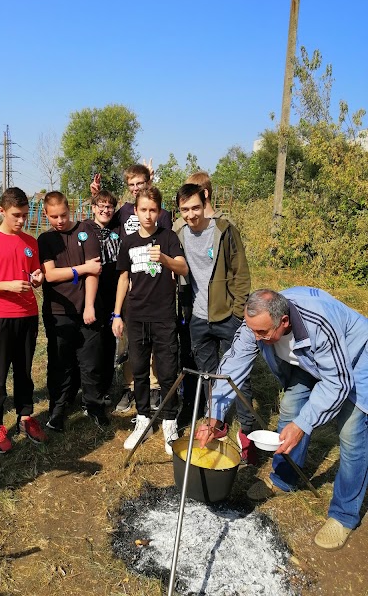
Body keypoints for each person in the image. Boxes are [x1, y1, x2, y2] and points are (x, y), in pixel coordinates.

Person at [196, 287, 368, 551]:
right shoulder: (256, 324)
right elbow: (231, 369)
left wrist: (304, 425)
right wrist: (213, 416)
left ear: (284, 321)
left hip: (355, 360)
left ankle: (343, 515)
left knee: (351, 434)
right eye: (253, 330)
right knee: (290, 409)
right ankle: (283, 480)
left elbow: (337, 383)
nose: (255, 337)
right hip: (306, 359)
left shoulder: (319, 324)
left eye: (263, 333)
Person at [175, 181, 256, 463]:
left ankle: (248, 432)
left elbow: (241, 272)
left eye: (195, 207)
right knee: (208, 374)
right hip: (197, 318)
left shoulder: (223, 231)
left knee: (237, 376)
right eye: (185, 209)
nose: (191, 214)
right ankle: (216, 420)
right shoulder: (178, 234)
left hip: (227, 316)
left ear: (204, 202)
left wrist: (237, 311)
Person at [112, 186, 188, 454]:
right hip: (136, 316)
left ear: (159, 212)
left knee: (167, 371)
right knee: (140, 370)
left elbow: (183, 267)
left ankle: (169, 420)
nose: (148, 215)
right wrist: (117, 313)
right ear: (135, 210)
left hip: (163, 316)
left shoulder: (168, 237)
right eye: (143, 209)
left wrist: (165, 259)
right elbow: (123, 278)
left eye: (153, 210)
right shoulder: (129, 241)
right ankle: (143, 417)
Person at [91, 163, 170, 412]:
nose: (136, 188)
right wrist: (95, 194)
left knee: (154, 338)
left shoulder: (163, 214)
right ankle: (130, 386)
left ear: (149, 182)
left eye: (140, 183)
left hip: (154, 285)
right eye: (132, 185)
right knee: (129, 338)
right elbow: (100, 215)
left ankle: (154, 386)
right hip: (128, 285)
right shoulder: (124, 211)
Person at [0, 187, 46, 454]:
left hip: (28, 315)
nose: (21, 221)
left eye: (25, 215)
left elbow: (34, 273)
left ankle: (26, 417)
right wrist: (7, 286)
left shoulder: (30, 242)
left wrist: (37, 278)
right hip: (0, 316)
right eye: (16, 215)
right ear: (2, 211)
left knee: (24, 371)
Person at [38, 191, 107, 432]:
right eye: (54, 216)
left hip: (87, 307)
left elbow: (94, 271)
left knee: (90, 361)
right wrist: (81, 268)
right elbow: (51, 274)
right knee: (59, 362)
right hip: (57, 309)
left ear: (71, 211)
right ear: (46, 214)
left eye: (63, 215)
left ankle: (94, 405)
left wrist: (89, 305)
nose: (59, 220)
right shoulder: (45, 239)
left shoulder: (85, 232)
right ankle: (58, 408)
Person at [84, 190, 121, 403]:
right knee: (91, 345)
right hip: (90, 294)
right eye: (101, 206)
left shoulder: (118, 229)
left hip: (112, 293)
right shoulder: (85, 229)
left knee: (109, 344)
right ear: (94, 208)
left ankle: (105, 388)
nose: (105, 210)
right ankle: (90, 390)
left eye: (109, 207)